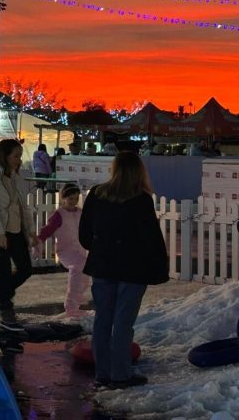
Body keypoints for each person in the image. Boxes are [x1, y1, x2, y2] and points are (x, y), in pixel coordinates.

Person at [79, 151, 169, 389]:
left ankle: (103, 372)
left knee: (102, 319)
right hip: (133, 267)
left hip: (103, 265)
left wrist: (99, 248)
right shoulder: (140, 199)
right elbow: (151, 237)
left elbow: (85, 234)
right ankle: (120, 373)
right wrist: (159, 266)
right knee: (122, 322)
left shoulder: (97, 194)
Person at [0, 138, 39, 331]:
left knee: (25, 269)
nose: (18, 160)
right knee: (4, 271)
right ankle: (5, 307)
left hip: (15, 229)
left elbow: (23, 206)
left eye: (20, 156)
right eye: (15, 156)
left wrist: (30, 230)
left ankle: (1, 297)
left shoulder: (16, 176)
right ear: (4, 156)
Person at [36, 183, 89, 317]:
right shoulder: (59, 215)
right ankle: (71, 306)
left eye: (76, 199)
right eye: (70, 198)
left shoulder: (80, 213)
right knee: (77, 269)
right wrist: (38, 243)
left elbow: (89, 228)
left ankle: (77, 298)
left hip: (80, 250)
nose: (73, 202)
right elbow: (46, 231)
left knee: (85, 272)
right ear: (62, 198)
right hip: (66, 251)